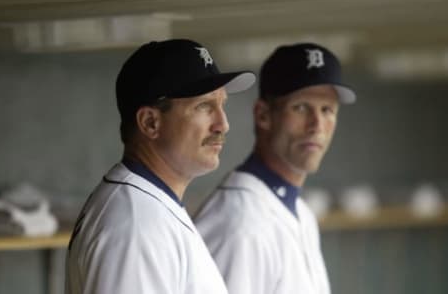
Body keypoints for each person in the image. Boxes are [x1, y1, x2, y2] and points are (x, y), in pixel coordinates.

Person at [65, 39, 256, 294]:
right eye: (204, 106)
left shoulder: (147, 207)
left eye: (222, 105)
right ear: (150, 122)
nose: (223, 124)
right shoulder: (136, 226)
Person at [194, 42, 356, 294]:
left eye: (327, 110)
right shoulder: (239, 224)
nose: (317, 125)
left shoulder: (302, 213)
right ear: (263, 115)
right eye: (301, 108)